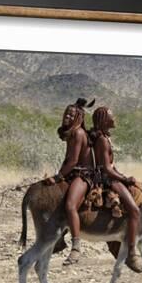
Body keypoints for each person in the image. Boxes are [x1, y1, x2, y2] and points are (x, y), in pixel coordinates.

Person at [90, 106, 142, 272]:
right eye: (112, 116)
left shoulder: (103, 137)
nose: (115, 119)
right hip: (107, 180)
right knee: (135, 211)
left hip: (109, 176)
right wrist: (124, 178)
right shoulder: (102, 140)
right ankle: (132, 251)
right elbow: (106, 168)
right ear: (104, 120)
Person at [44, 98, 95, 265]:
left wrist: (58, 177)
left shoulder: (78, 133)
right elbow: (68, 160)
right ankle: (59, 239)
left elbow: (73, 161)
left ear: (78, 117)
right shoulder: (72, 133)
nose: (67, 116)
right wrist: (59, 175)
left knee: (70, 205)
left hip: (84, 176)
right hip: (74, 174)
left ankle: (76, 247)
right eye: (66, 113)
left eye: (71, 114)